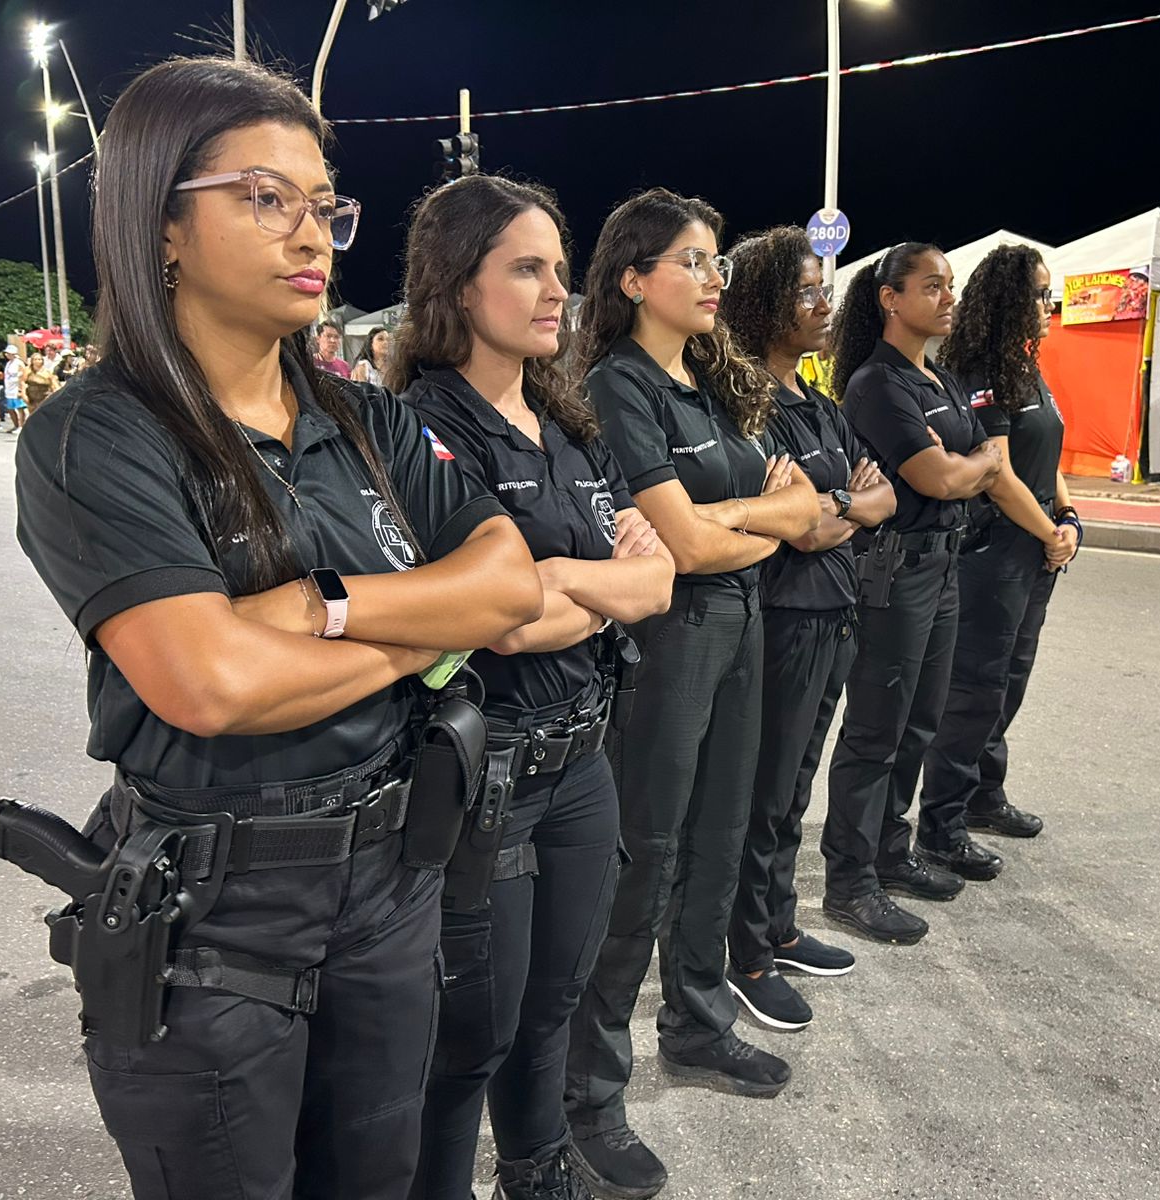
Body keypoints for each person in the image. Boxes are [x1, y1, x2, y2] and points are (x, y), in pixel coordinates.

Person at [8, 56, 543, 1198]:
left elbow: (508, 584)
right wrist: (428, 632)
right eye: (265, 197)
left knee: (379, 1175)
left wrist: (318, 606)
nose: (313, 234)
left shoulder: (365, 418)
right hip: (216, 922)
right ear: (161, 222)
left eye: (323, 204)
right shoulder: (98, 435)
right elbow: (212, 685)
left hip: (392, 881)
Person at [395, 174, 676, 1200]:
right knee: (472, 1032)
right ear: (457, 283)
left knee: (556, 999)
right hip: (490, 779)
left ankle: (537, 1165)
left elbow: (656, 576)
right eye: (527, 269)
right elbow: (499, 617)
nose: (559, 291)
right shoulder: (423, 427)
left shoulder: (566, 419)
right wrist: (601, 588)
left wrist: (565, 581)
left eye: (559, 269)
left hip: (582, 760)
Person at [563, 188, 820, 1199]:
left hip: (741, 622)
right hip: (670, 639)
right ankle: (589, 1090)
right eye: (694, 260)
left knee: (720, 833)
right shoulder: (617, 385)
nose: (715, 278)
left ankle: (699, 1021)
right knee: (646, 853)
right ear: (634, 279)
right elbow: (685, 543)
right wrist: (765, 518)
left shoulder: (708, 383)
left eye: (718, 261)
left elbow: (793, 512)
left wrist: (740, 522)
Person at [718, 226, 897, 1032]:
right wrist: (835, 509)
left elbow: (879, 496)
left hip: (836, 612)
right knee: (766, 792)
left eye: (825, 290)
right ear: (764, 303)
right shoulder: (750, 403)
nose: (825, 304)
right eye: (806, 291)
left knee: (795, 790)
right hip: (785, 616)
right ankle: (746, 952)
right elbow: (800, 527)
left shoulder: (818, 404)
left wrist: (838, 505)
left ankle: (780, 924)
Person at [819, 242, 1003, 944]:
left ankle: (890, 854)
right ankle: (850, 881)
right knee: (876, 730)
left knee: (920, 723)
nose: (948, 297)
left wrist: (968, 462)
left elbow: (985, 459)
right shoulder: (877, 383)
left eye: (950, 285)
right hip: (896, 571)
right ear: (890, 299)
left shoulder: (941, 380)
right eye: (932, 285)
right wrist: (969, 462)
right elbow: (942, 478)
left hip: (943, 567)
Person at [918, 244, 1077, 875]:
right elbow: (998, 473)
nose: (1048, 305)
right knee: (976, 689)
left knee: (1010, 679)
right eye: (1039, 294)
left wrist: (1068, 518)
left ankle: (986, 795)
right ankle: (942, 825)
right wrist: (1048, 531)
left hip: (1035, 547)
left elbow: (1048, 458)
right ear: (1010, 299)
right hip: (995, 552)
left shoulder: (1025, 367)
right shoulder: (980, 371)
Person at [1, 346, 26, 431]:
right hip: (9, 389)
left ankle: (21, 426)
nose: (6, 355)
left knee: (19, 408)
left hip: (16, 388)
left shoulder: (19, 363)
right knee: (10, 408)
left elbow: (22, 376)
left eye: (8, 353)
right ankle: (16, 425)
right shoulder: (8, 363)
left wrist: (20, 390)